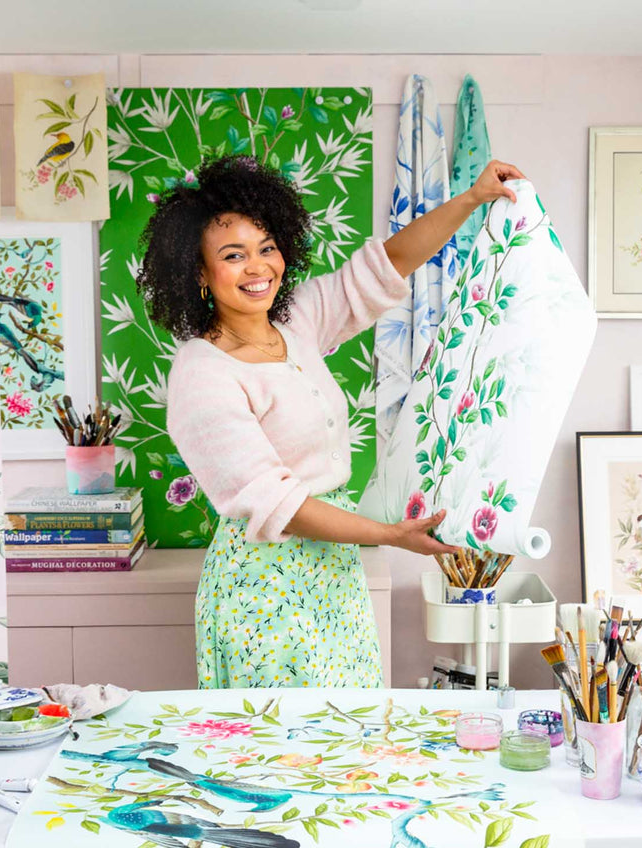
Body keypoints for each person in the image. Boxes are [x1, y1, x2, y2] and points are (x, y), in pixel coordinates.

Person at [138, 153, 525, 688]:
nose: (258, 268)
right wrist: (389, 535)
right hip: (263, 589)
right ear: (199, 273)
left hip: (334, 574)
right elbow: (284, 507)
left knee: (347, 741)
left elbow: (387, 265)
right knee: (281, 753)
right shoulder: (201, 375)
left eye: (267, 248)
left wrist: (472, 198)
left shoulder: (293, 322)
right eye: (234, 255)